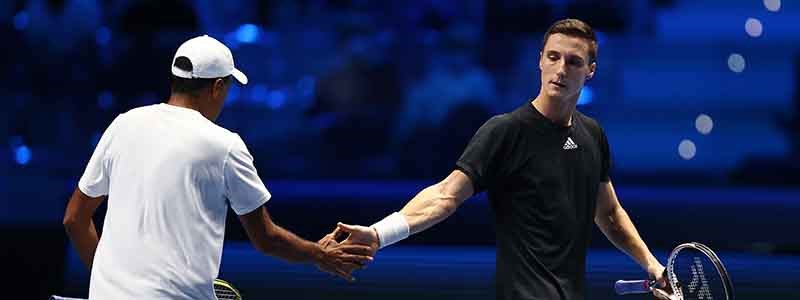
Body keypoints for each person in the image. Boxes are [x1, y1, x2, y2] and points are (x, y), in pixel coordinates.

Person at [331, 19, 673, 299]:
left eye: (574, 62)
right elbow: (445, 195)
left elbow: (610, 214)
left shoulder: (592, 134)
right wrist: (379, 233)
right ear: (539, 60)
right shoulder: (505, 131)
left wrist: (653, 266)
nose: (560, 68)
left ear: (591, 71)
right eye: (553, 57)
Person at [62, 35, 374, 299]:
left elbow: (75, 219)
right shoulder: (224, 145)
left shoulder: (124, 125)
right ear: (217, 87)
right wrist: (319, 254)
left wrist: (110, 285)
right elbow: (266, 238)